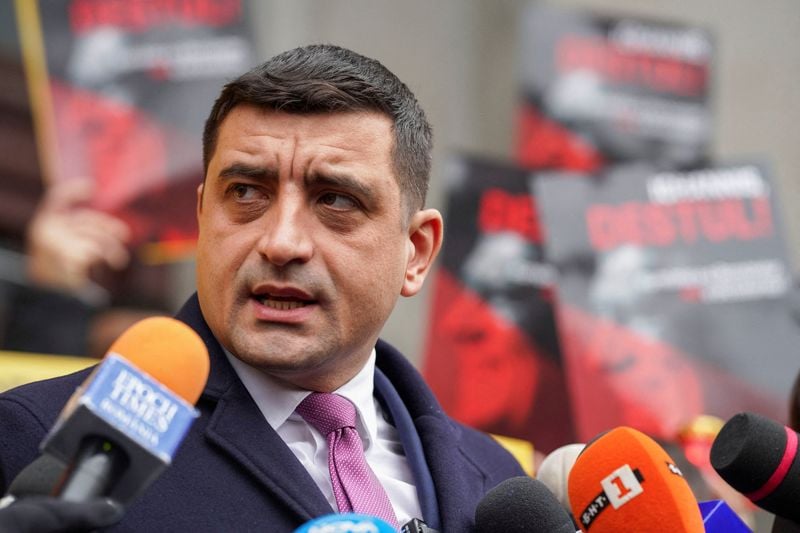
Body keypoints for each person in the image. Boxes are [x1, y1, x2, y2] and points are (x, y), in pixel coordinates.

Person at [0, 44, 526, 531]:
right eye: (246, 192)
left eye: (336, 200)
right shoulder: (37, 444)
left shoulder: (496, 481)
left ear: (416, 252)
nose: (281, 242)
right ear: (202, 215)